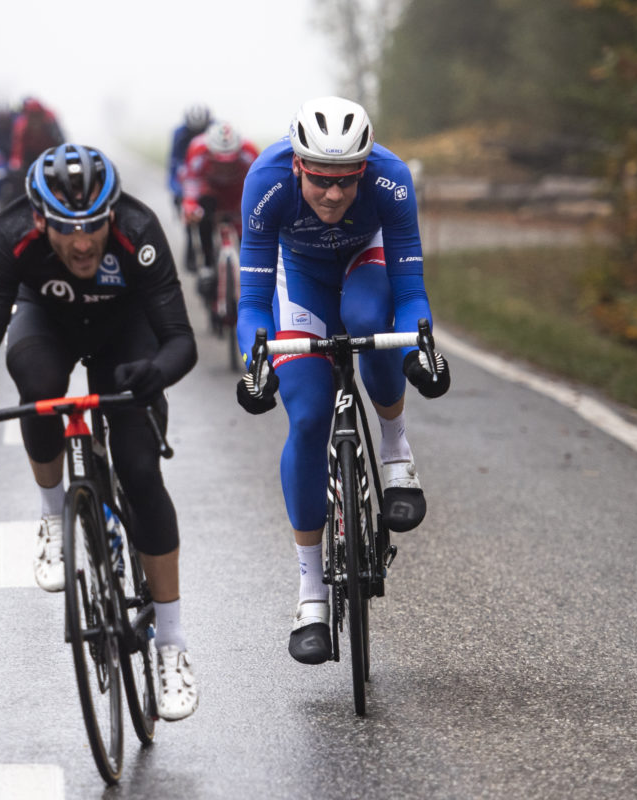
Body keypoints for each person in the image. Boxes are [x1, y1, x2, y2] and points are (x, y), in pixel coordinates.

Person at [0, 143, 200, 720]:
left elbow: (181, 340)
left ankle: (173, 647)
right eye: (66, 229)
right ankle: (52, 514)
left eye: (94, 226)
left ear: (113, 213)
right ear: (40, 221)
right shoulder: (10, 234)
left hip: (126, 335)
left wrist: (155, 374)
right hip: (48, 322)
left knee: (140, 471)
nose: (83, 242)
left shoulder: (138, 230)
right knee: (37, 391)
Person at [233, 96, 451, 666]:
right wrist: (255, 364)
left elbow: (409, 294)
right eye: (320, 182)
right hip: (299, 278)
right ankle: (311, 595)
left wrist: (422, 350)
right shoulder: (265, 180)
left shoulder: (392, 179)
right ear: (299, 167)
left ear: (364, 170)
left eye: (346, 183)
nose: (333, 195)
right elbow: (254, 303)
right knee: (306, 416)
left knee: (366, 321)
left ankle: (396, 451)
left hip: (366, 266)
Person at [180, 120, 259, 304]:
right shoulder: (197, 150)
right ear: (210, 153)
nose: (224, 166)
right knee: (202, 215)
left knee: (248, 231)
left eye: (230, 161)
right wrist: (191, 208)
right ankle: (207, 264)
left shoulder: (249, 152)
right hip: (211, 192)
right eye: (219, 161)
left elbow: (260, 185)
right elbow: (191, 184)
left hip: (238, 192)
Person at [166, 104, 212, 272]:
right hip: (187, 176)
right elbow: (173, 164)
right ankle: (191, 246)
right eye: (194, 132)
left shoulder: (215, 129)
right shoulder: (179, 134)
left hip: (207, 176)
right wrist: (178, 191)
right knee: (186, 211)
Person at [7, 97, 65, 176]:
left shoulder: (50, 123)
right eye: (32, 117)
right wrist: (17, 162)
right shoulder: (21, 126)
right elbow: (18, 146)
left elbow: (60, 140)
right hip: (30, 157)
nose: (35, 121)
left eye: (37, 116)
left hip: (49, 154)